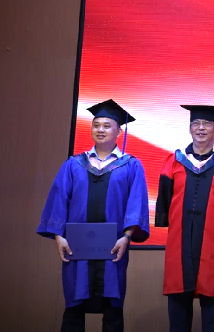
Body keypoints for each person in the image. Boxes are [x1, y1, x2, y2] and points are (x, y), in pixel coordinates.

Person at [37, 99, 150, 332]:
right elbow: (58, 200)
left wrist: (127, 237)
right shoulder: (74, 165)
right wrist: (58, 236)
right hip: (76, 247)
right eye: (96, 125)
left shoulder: (130, 166)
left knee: (112, 310)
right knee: (74, 309)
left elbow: (136, 203)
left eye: (107, 125)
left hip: (114, 247)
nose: (100, 129)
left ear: (119, 131)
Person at [155, 105, 214, 332]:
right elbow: (165, 198)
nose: (201, 128)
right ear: (189, 128)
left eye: (207, 124)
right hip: (179, 241)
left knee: (211, 308)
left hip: (213, 243)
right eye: (196, 124)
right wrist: (163, 219)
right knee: (178, 305)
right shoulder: (174, 161)